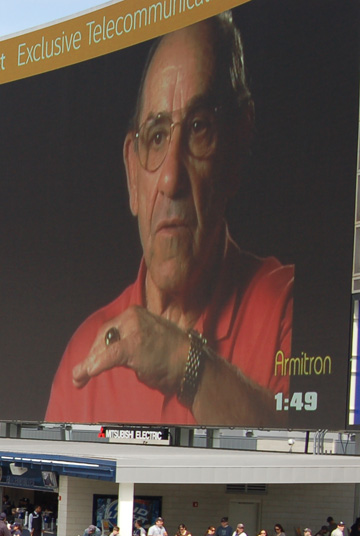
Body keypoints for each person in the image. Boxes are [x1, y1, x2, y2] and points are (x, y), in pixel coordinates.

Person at [46, 13, 291, 427]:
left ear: (237, 141)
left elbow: (300, 459)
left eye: (198, 128)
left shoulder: (284, 306)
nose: (171, 178)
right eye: (157, 136)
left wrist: (185, 363)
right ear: (132, 175)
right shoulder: (84, 351)